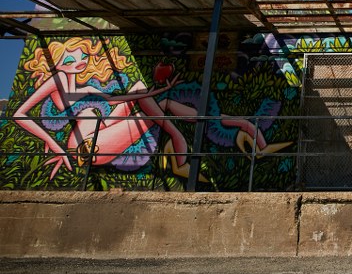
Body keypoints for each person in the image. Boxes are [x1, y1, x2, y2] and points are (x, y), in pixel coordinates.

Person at [14, 37, 281, 180]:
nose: (78, 62)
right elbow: (19, 114)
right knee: (159, 105)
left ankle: (215, 132)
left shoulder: (87, 89)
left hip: (103, 129)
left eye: (81, 56)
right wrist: (56, 146)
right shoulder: (58, 79)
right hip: (88, 145)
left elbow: (123, 99)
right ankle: (184, 147)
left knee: (144, 90)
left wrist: (163, 88)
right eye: (70, 58)